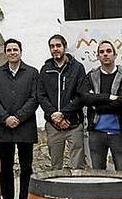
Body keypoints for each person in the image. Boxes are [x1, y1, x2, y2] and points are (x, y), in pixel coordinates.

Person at [0, 39, 38, 199]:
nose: (12, 52)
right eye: (9, 50)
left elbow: (34, 98)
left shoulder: (32, 73)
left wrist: (18, 117)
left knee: (26, 169)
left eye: (15, 49)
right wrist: (5, 118)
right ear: (5, 52)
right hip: (4, 128)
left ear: (21, 51)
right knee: (6, 170)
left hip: (25, 126)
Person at [79, 40, 122, 172]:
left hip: (118, 132)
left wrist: (97, 106)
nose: (105, 54)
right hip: (96, 133)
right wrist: (108, 97)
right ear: (97, 56)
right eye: (102, 52)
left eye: (109, 51)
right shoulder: (91, 76)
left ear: (115, 55)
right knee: (98, 173)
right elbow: (85, 98)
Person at [37, 34, 86, 170]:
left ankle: (79, 190)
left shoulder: (77, 68)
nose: (55, 49)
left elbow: (81, 96)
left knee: (78, 165)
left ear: (64, 47)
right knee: (55, 165)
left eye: (58, 45)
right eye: (52, 46)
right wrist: (54, 116)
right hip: (53, 125)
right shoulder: (45, 69)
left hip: (74, 124)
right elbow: (41, 95)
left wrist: (64, 114)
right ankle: (56, 191)